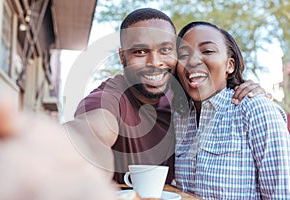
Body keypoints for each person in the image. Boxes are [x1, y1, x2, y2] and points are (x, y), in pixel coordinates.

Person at [66, 8, 266, 185]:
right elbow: (90, 133)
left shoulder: (185, 100)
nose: (155, 62)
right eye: (140, 51)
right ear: (122, 57)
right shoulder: (109, 97)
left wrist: (245, 87)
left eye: (165, 50)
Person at [173, 21, 290, 199]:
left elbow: (281, 194)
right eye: (183, 54)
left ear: (230, 65)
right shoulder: (179, 119)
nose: (193, 60)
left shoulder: (255, 110)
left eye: (207, 51)